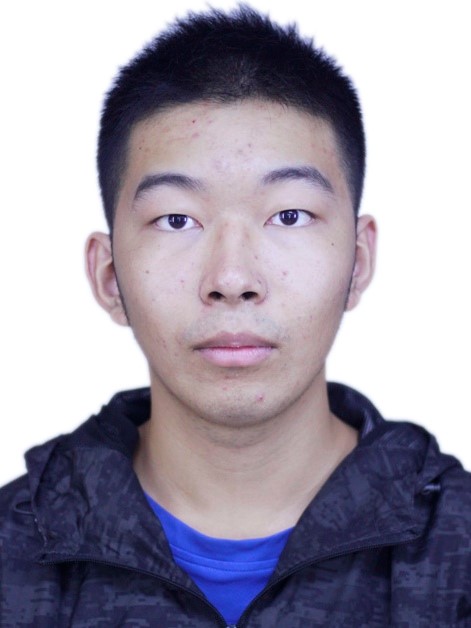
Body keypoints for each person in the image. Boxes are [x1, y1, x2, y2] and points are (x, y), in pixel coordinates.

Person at [1, 5, 470, 626]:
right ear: (109, 275)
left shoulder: (457, 551)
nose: (232, 279)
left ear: (357, 263)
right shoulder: (13, 553)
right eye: (177, 219)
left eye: (288, 216)